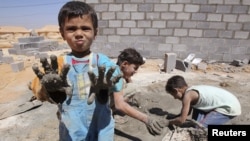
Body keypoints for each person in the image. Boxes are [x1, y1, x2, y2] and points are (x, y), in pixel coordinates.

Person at [29, 1, 166, 141]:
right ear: (62, 33)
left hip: (101, 131)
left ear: (95, 32)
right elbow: (37, 89)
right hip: (72, 132)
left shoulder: (104, 64)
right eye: (71, 29)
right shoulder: (58, 64)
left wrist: (105, 93)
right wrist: (51, 93)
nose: (79, 34)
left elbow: (119, 99)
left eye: (85, 28)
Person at [165, 75, 241, 128]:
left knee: (199, 128)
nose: (174, 98)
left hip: (229, 108)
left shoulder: (188, 96)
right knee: (195, 121)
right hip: (227, 102)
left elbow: (182, 120)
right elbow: (186, 113)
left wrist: (168, 122)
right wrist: (175, 118)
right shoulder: (191, 91)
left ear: (176, 90)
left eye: (173, 95)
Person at [110, 48, 145, 124]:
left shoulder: (115, 69)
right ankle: (109, 112)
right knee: (133, 88)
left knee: (128, 86)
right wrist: (146, 119)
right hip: (101, 105)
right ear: (125, 64)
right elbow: (119, 104)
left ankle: (110, 110)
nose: (135, 71)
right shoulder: (117, 77)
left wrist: (128, 76)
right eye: (135, 68)